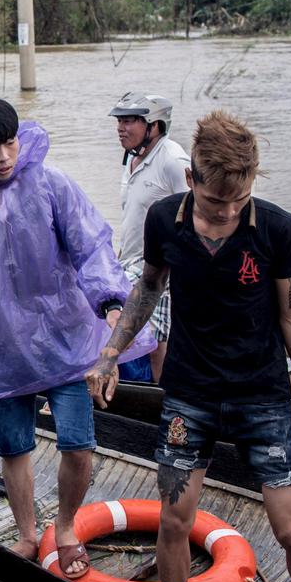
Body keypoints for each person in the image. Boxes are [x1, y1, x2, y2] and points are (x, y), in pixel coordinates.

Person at [86, 111, 291, 582]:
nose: (226, 211)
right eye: (215, 199)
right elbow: (149, 287)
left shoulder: (278, 231)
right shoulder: (165, 220)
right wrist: (109, 353)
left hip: (261, 395)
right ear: (189, 178)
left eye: (238, 200)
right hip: (189, 394)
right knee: (175, 523)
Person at [0, 98, 152, 579]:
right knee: (14, 446)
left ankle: (66, 528)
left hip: (66, 340)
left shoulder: (52, 185)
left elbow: (91, 246)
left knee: (78, 442)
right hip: (4, 347)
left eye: (10, 142)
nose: (5, 156)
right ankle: (28, 532)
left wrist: (112, 302)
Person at [109, 92, 189, 383]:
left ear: (154, 126)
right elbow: (131, 215)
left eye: (129, 121)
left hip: (160, 263)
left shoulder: (173, 160)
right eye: (119, 120)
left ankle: (161, 396)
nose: (121, 128)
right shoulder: (130, 158)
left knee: (156, 336)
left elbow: (193, 213)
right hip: (130, 259)